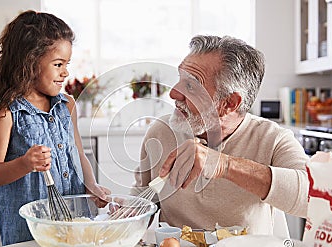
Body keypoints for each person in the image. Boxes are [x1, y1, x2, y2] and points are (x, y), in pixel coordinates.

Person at [131, 35, 309, 235]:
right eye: (180, 79)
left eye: (191, 86)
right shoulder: (161, 131)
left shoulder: (272, 138)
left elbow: (312, 198)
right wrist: (125, 212)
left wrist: (223, 165)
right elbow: (144, 196)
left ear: (229, 103)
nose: (173, 94)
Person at [0, 10, 110, 245]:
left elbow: (78, 154)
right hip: (29, 233)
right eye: (58, 64)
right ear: (29, 62)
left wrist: (92, 186)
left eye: (67, 64)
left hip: (73, 222)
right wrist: (24, 164)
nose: (65, 72)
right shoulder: (8, 112)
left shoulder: (67, 105)